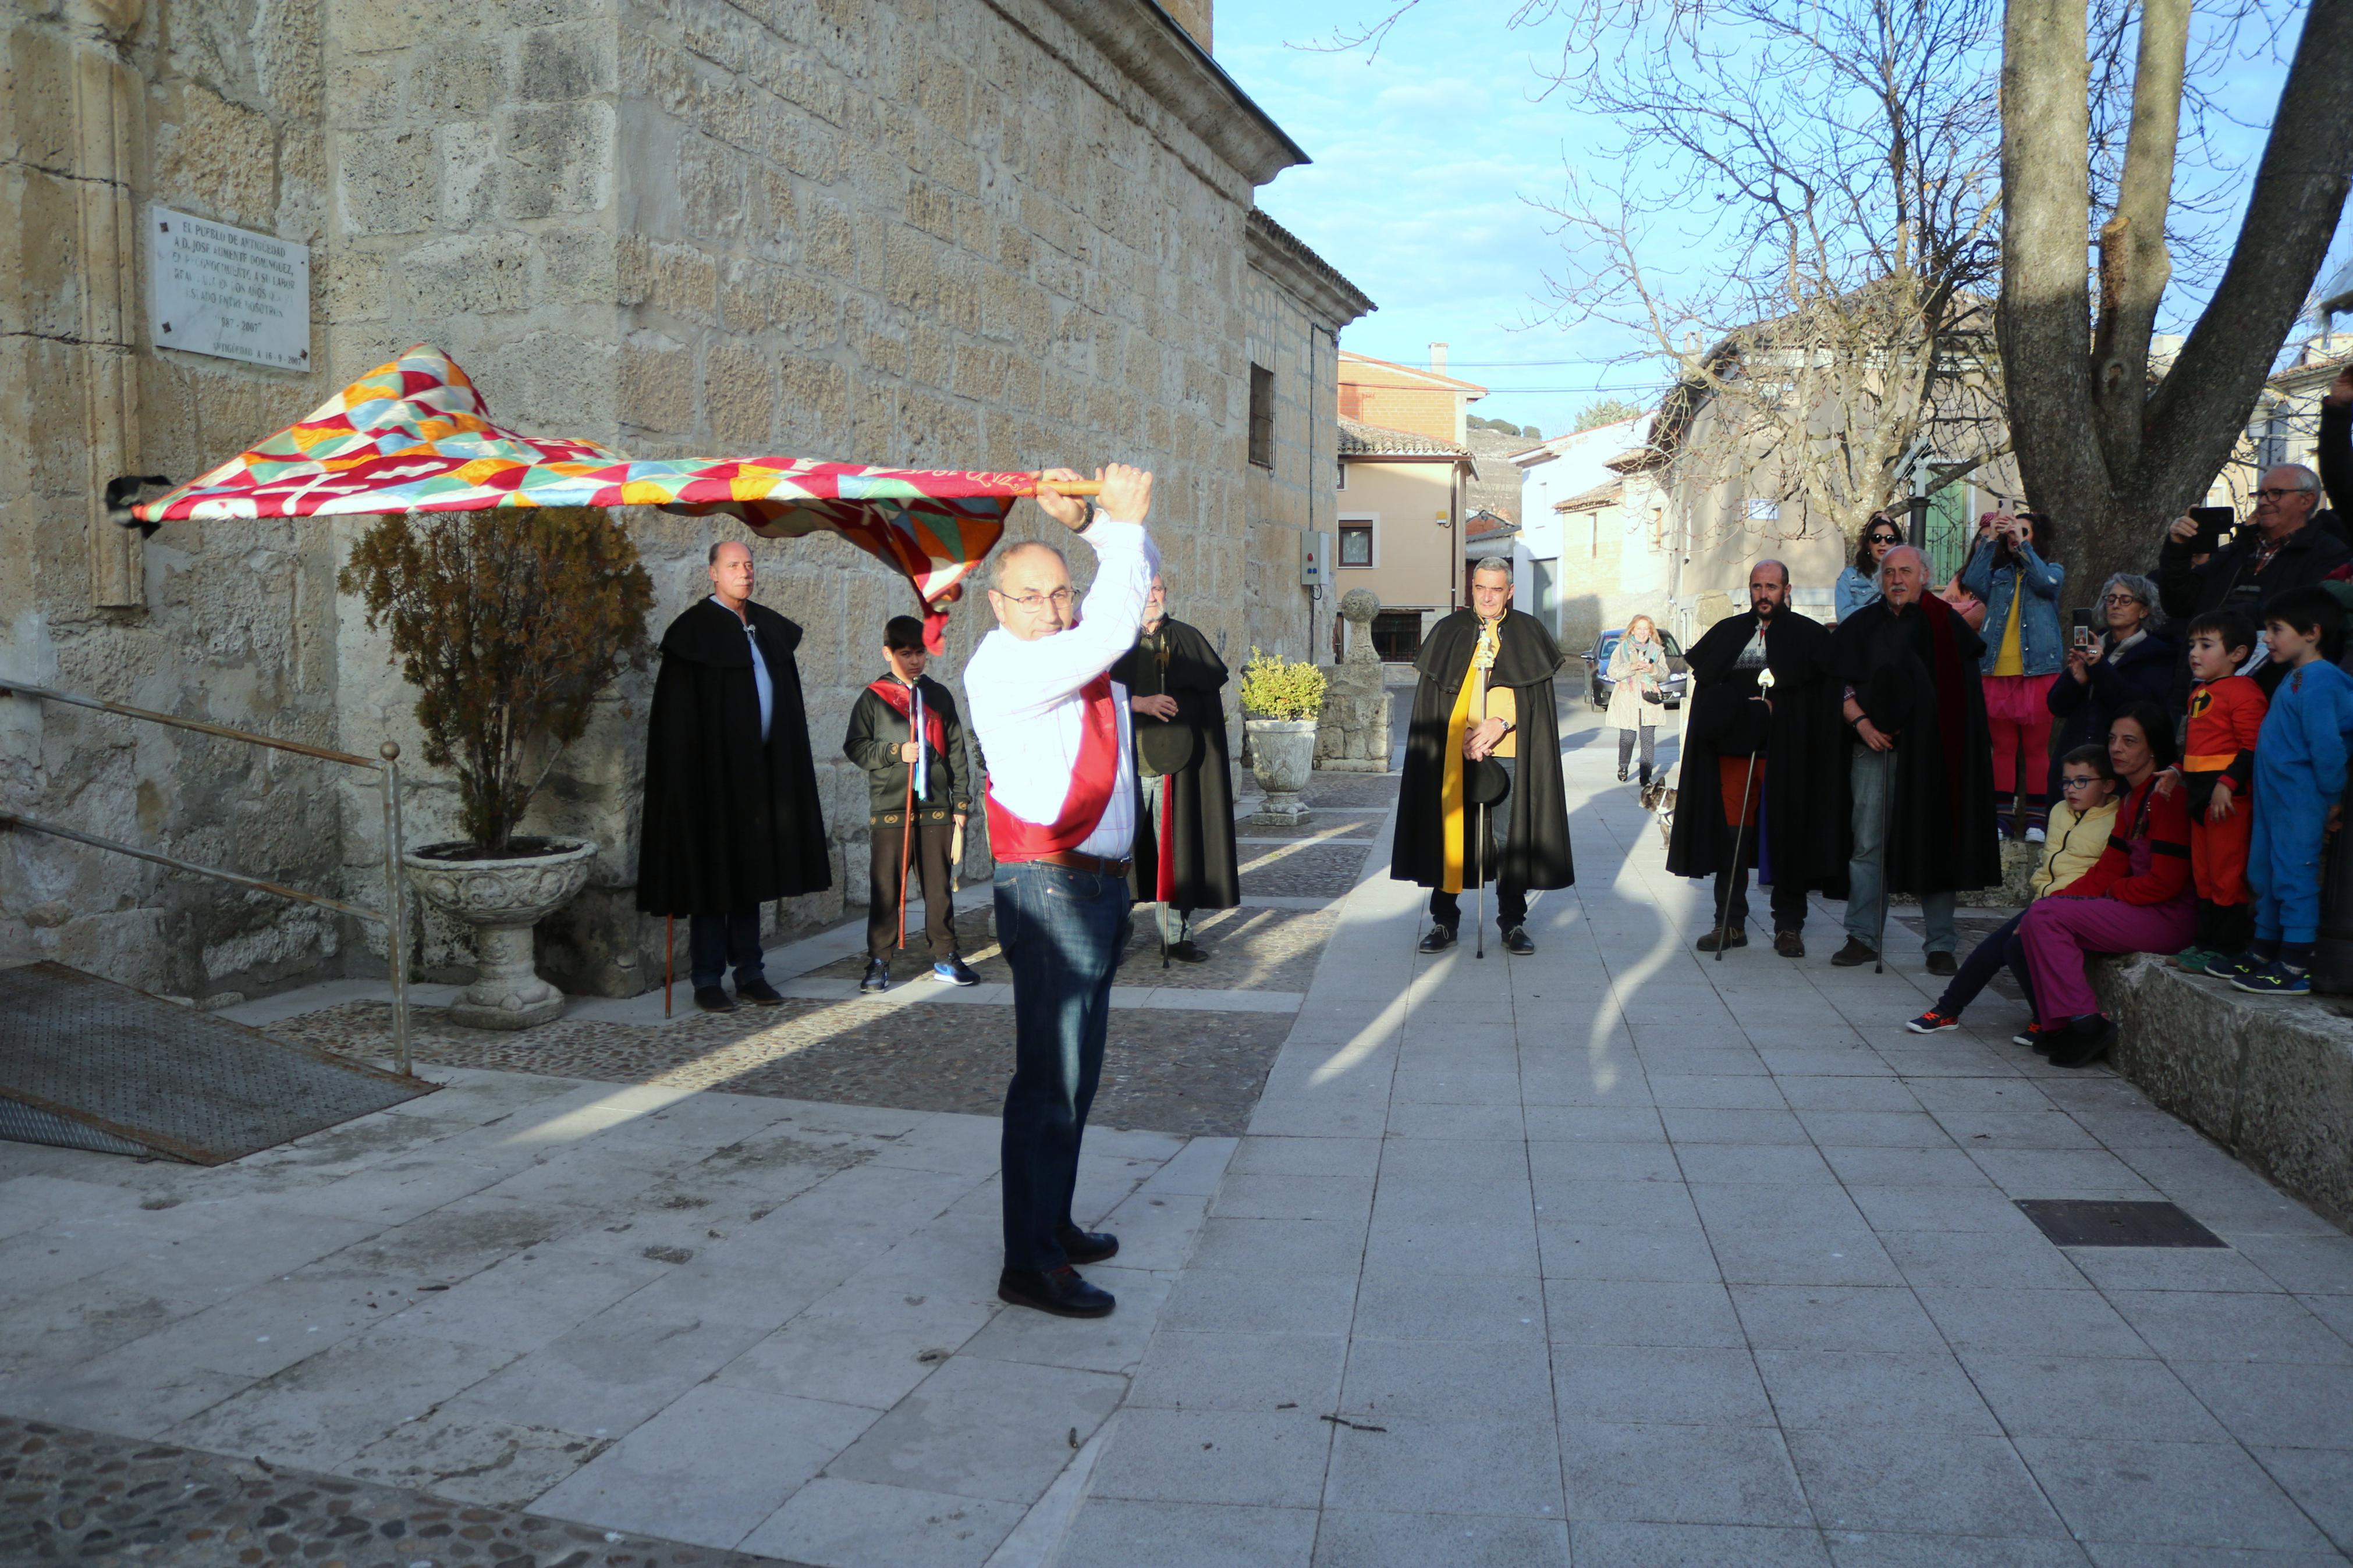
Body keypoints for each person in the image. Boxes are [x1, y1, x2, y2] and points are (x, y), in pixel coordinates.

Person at [964, 464, 1156, 1320]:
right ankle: (1029, 1261)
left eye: (1060, 593)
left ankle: (1052, 1219)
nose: (1053, 608)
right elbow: (1115, 622)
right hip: (1049, 889)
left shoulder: (1064, 654)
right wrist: (1113, 526)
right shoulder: (1006, 666)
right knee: (1050, 1075)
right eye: (1032, 596)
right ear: (998, 605)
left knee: (1076, 1074)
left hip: (1096, 886)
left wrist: (1095, 525)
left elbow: (1117, 609)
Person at [637, 539, 831, 1013]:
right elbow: (675, 720)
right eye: (733, 566)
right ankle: (706, 978)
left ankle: (750, 972)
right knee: (712, 874)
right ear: (712, 574)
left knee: (752, 873)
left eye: (748, 564)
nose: (744, 572)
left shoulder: (765, 628)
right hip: (712, 778)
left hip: (762, 774)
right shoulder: (693, 633)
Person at [1826, 544, 2003, 973]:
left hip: (1933, 754)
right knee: (1868, 842)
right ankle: (1862, 935)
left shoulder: (1946, 625)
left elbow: (1963, 699)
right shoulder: (1862, 624)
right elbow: (1837, 685)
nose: (1896, 580)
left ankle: (1940, 942)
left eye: (1905, 571)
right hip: (1872, 747)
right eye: (1888, 573)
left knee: (1935, 837)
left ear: (1924, 575)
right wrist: (1863, 724)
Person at [1666, 559, 1847, 958]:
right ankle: (1728, 922)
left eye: (1771, 586)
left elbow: (1819, 702)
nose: (1763, 594)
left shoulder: (1809, 637)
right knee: (1732, 839)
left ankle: (1788, 926)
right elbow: (1708, 696)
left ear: (1786, 589)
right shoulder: (1729, 633)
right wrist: (1746, 712)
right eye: (1756, 587)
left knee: (1788, 837)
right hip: (1736, 757)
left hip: (1788, 758)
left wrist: (1778, 711)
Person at [1394, 556, 1574, 955]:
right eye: (1481, 588)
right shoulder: (1448, 631)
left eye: (1496, 589)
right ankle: (1444, 921)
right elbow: (1433, 703)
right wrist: (1454, 735)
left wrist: (1499, 724)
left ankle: (1512, 922)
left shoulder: (1528, 632)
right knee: (1452, 835)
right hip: (1454, 754)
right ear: (1470, 589)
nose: (1488, 596)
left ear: (1509, 591)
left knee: (1509, 838)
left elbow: (1533, 703)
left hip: (1510, 752)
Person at [2018, 703, 2195, 1067]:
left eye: (2130, 741)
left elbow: (2165, 883)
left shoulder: (2167, 797)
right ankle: (2058, 1026)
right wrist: (2051, 901)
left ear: (2153, 749)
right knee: (2040, 915)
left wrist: (2114, 893)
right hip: (2140, 908)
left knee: (2047, 918)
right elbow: (2107, 870)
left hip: (2168, 916)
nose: (2116, 748)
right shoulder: (2132, 799)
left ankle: (2086, 1024)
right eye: (2113, 739)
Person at [1906, 745, 2120, 1041]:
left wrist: (2047, 911)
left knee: (2013, 948)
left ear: (2108, 785)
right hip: (2046, 904)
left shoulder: (2117, 820)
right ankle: (1947, 1011)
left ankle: (2044, 1020)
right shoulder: (2059, 810)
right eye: (2066, 781)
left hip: (2079, 908)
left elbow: (2102, 876)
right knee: (1991, 950)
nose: (2071, 789)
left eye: (2082, 781)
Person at [2211, 586, 2353, 997]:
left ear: (2312, 632)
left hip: (2301, 798)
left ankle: (2294, 962)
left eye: (2276, 629)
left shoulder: (2321, 680)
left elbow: (2325, 746)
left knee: (2294, 873)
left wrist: (2331, 798)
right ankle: (2263, 950)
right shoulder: (2295, 677)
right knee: (2265, 873)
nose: (2267, 638)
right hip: (2274, 797)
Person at [843, 615, 977, 993]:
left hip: (934, 806)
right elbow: (855, 746)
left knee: (939, 889)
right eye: (906, 653)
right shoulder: (873, 698)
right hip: (891, 806)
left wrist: (961, 804)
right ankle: (879, 960)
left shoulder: (938, 695)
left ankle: (946, 955)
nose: (915, 661)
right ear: (888, 653)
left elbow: (956, 753)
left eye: (920, 653)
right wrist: (894, 751)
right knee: (886, 889)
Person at [1111, 572, 1239, 962]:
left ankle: (1176, 936)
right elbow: (1095, 696)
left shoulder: (1186, 638)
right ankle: (1112, 937)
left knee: (1174, 852)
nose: (1152, 596)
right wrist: (1140, 703)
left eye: (1158, 588)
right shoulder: (1112, 641)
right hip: (1125, 769)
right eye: (1145, 589)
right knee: (1118, 856)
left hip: (1174, 768)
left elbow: (1206, 707)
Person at [2158, 465, 2350, 703]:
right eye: (2260, 494)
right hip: (2203, 689)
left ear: (2307, 500)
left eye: (2276, 493)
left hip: (2270, 693)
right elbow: (2179, 604)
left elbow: (2301, 615)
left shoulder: (2328, 554)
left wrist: (2225, 621)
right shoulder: (2236, 550)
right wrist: (2176, 550)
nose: (2264, 502)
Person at [2167, 610, 2266, 973]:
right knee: (2204, 873)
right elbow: (2197, 746)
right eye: (2193, 644)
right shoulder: (2201, 691)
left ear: (2238, 654)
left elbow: (2252, 747)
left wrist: (2228, 784)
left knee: (2227, 873)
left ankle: (2225, 947)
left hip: (2227, 799)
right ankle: (2204, 943)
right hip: (2198, 794)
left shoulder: (2245, 691)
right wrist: (2177, 770)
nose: (2195, 652)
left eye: (2206, 645)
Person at [1960, 509, 2065, 839]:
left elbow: (2046, 585)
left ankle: (2036, 819)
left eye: (2024, 530)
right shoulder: (1999, 574)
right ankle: (2001, 818)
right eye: (2013, 531)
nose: (2015, 535)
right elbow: (1972, 582)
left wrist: (2023, 548)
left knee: (2036, 750)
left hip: (2037, 674)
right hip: (1997, 673)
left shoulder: (2052, 570)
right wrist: (1991, 538)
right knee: (2003, 750)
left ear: (2037, 537)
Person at [2047, 572, 2175, 809]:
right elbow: (2056, 706)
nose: (2116, 605)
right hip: (2075, 760)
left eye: (2126, 600)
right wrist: (2077, 680)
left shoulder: (2156, 653)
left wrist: (2099, 667)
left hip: (2116, 768)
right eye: (2111, 599)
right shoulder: (2094, 647)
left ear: (2144, 610)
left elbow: (2138, 705)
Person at [1605, 613, 1670, 789]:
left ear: (1651, 631)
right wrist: (1632, 667)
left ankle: (1645, 777)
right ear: (1632, 629)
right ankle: (1623, 766)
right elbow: (1612, 671)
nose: (1642, 632)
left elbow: (1664, 674)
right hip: (1628, 699)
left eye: (1646, 629)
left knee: (1648, 739)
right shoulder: (1622, 648)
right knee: (1627, 738)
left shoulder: (1657, 650)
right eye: (1639, 628)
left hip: (1649, 700)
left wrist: (1652, 669)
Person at [1836, 514, 1903, 622]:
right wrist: (1881, 611)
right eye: (1876, 538)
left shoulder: (1905, 577)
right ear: (1868, 544)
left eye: (1889, 539)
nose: (1882, 543)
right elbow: (1843, 616)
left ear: (1897, 544)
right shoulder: (1849, 576)